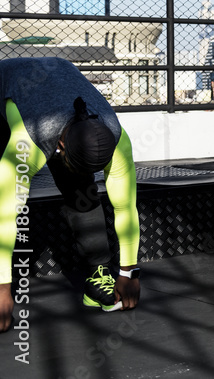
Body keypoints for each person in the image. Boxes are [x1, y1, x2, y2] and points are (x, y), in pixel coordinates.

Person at [0, 57, 140, 333]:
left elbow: (125, 207)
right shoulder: (27, 141)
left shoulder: (117, 138)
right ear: (61, 145)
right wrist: (3, 288)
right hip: (8, 90)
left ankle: (97, 275)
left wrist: (129, 273)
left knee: (82, 188)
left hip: (60, 76)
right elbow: (5, 215)